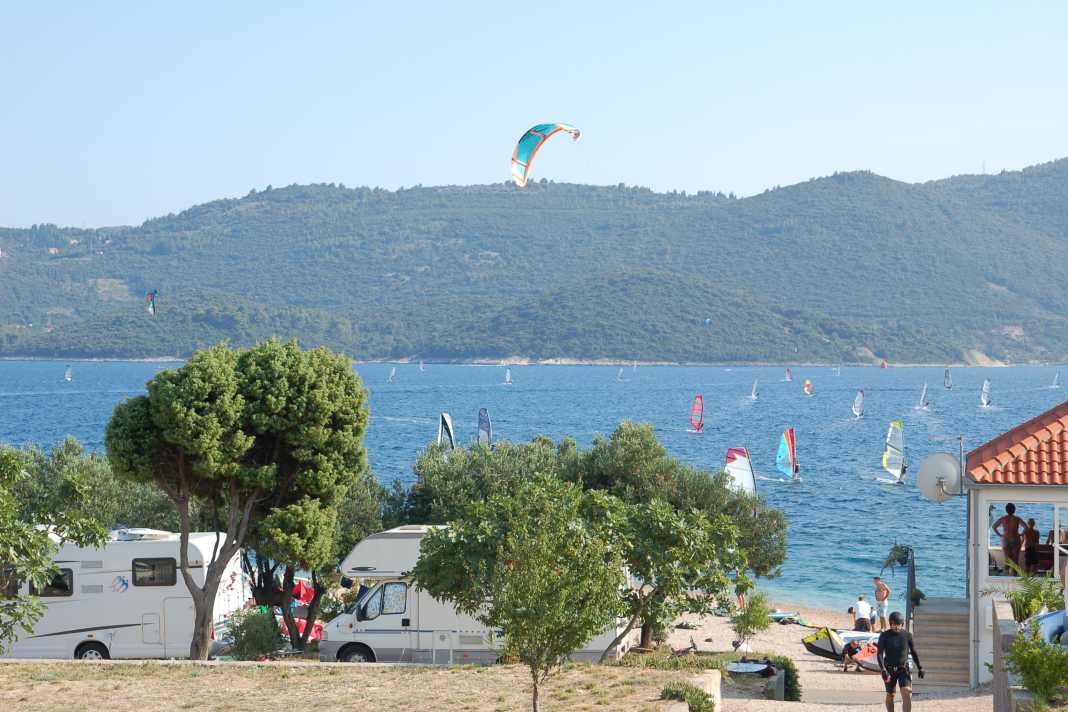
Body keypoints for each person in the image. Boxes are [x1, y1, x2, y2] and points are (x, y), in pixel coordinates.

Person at [877, 611, 923, 712]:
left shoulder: (907, 635)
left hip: (903, 669)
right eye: (894, 625)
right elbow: (879, 653)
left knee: (906, 692)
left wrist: (920, 667)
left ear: (902, 624)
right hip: (889, 670)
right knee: (891, 695)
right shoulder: (884, 636)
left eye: (898, 625)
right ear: (890, 624)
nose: (896, 627)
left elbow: (914, 652)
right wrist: (883, 670)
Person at [991, 503, 1024, 575]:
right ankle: (1015, 578)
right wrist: (1021, 534)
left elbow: (994, 526)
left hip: (1005, 539)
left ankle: (1006, 576)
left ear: (1006, 510)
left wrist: (1000, 535)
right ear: (1014, 510)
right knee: (1015, 560)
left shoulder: (1003, 518)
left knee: (1007, 559)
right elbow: (1026, 528)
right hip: (1015, 539)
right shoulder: (1017, 519)